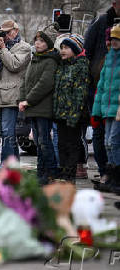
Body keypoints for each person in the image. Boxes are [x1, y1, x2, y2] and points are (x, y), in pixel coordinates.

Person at [0, 20, 31, 163]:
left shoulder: (24, 47)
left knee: (7, 132)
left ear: (16, 31)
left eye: (9, 32)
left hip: (12, 95)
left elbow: (14, 65)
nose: (7, 35)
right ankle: (13, 164)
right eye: (4, 32)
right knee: (7, 133)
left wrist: (3, 48)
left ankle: (5, 165)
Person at [19, 24, 60, 185]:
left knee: (44, 141)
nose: (37, 43)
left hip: (43, 107)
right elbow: (25, 81)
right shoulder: (34, 59)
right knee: (37, 141)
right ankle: (41, 171)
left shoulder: (50, 60)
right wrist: (21, 100)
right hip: (32, 108)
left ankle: (50, 173)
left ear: (48, 44)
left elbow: (45, 83)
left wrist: (29, 100)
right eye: (36, 40)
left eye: (41, 41)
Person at [84, 0, 120, 182]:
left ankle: (114, 175)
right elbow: (87, 50)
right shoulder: (102, 21)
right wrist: (88, 80)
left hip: (116, 92)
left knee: (114, 136)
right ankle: (105, 171)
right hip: (98, 90)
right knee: (100, 134)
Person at [54, 34, 90, 183]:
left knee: (72, 144)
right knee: (61, 144)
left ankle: (70, 175)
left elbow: (80, 92)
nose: (63, 50)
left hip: (74, 114)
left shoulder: (81, 66)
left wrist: (74, 114)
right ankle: (63, 172)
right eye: (61, 47)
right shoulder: (62, 66)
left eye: (67, 47)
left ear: (75, 49)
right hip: (61, 113)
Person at [92, 24, 120, 194]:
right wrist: (97, 110)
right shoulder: (109, 58)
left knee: (114, 143)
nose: (114, 41)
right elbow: (101, 87)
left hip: (117, 109)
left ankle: (117, 179)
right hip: (107, 109)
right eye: (112, 38)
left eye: (117, 38)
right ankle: (111, 177)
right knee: (108, 143)